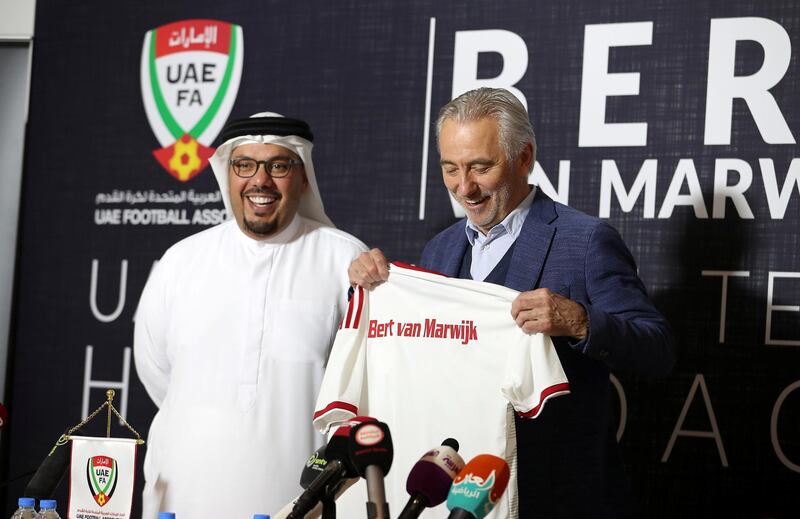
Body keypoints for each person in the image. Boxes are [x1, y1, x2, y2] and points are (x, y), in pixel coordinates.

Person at [348, 88, 675, 518]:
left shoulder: (586, 242)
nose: (464, 188)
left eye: (481, 167)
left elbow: (658, 351)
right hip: (458, 498)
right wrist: (374, 287)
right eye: (450, 168)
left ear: (524, 157)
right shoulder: (440, 250)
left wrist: (579, 322)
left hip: (554, 498)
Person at [133, 113, 367, 518]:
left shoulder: (344, 260)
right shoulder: (181, 262)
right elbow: (158, 375)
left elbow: (360, 392)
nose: (260, 181)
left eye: (278, 165)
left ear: (303, 176)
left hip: (297, 505)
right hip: (181, 499)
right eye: (244, 165)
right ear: (227, 174)